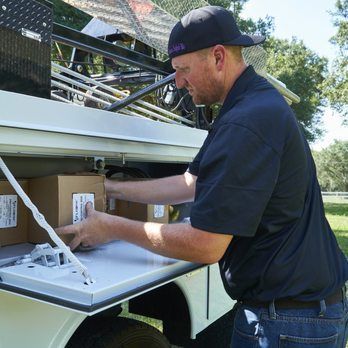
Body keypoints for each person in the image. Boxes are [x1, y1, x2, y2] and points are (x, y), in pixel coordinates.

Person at [57, 6, 348, 347]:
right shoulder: (245, 107)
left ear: (219, 57)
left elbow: (207, 245)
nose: (177, 82)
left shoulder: (248, 121)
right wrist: (109, 187)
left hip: (288, 322)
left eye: (182, 69)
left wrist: (110, 227)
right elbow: (190, 184)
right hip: (299, 311)